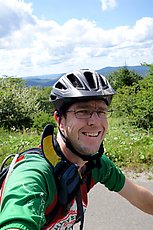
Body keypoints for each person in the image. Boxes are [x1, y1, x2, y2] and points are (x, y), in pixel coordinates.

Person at [0, 69, 153, 230]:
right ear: (59, 120)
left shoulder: (95, 164)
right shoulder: (33, 173)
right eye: (82, 111)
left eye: (101, 111)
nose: (94, 121)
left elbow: (141, 198)